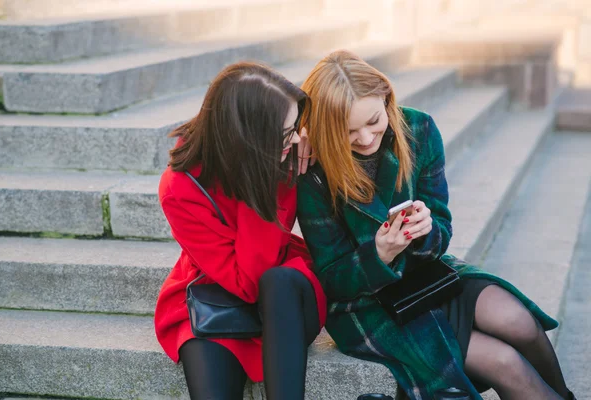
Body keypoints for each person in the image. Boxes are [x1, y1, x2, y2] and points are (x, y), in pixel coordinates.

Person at [296, 50, 576, 400]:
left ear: (385, 96)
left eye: (373, 121)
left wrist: (426, 232)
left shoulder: (418, 130)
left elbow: (441, 225)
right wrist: (378, 254)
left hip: (425, 273)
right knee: (504, 363)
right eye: (348, 131)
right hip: (368, 305)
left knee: (519, 322)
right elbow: (333, 279)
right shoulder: (314, 174)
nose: (366, 138)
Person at [155, 61, 326, 400]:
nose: (293, 141)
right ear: (246, 138)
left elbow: (264, 275)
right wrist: (260, 183)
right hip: (217, 289)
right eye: (284, 134)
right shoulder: (180, 187)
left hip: (285, 290)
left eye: (295, 128)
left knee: (276, 283)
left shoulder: (287, 152)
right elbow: (245, 283)